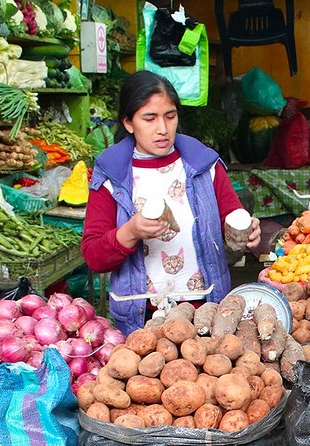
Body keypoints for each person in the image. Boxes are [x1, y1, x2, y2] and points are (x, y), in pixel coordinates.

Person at [82, 70, 261, 334]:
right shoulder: (112, 174)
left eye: (170, 116)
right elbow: (94, 256)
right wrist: (129, 233)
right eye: (149, 119)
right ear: (129, 123)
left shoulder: (204, 165)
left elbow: (231, 218)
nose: (163, 129)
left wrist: (246, 233)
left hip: (206, 312)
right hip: (141, 318)